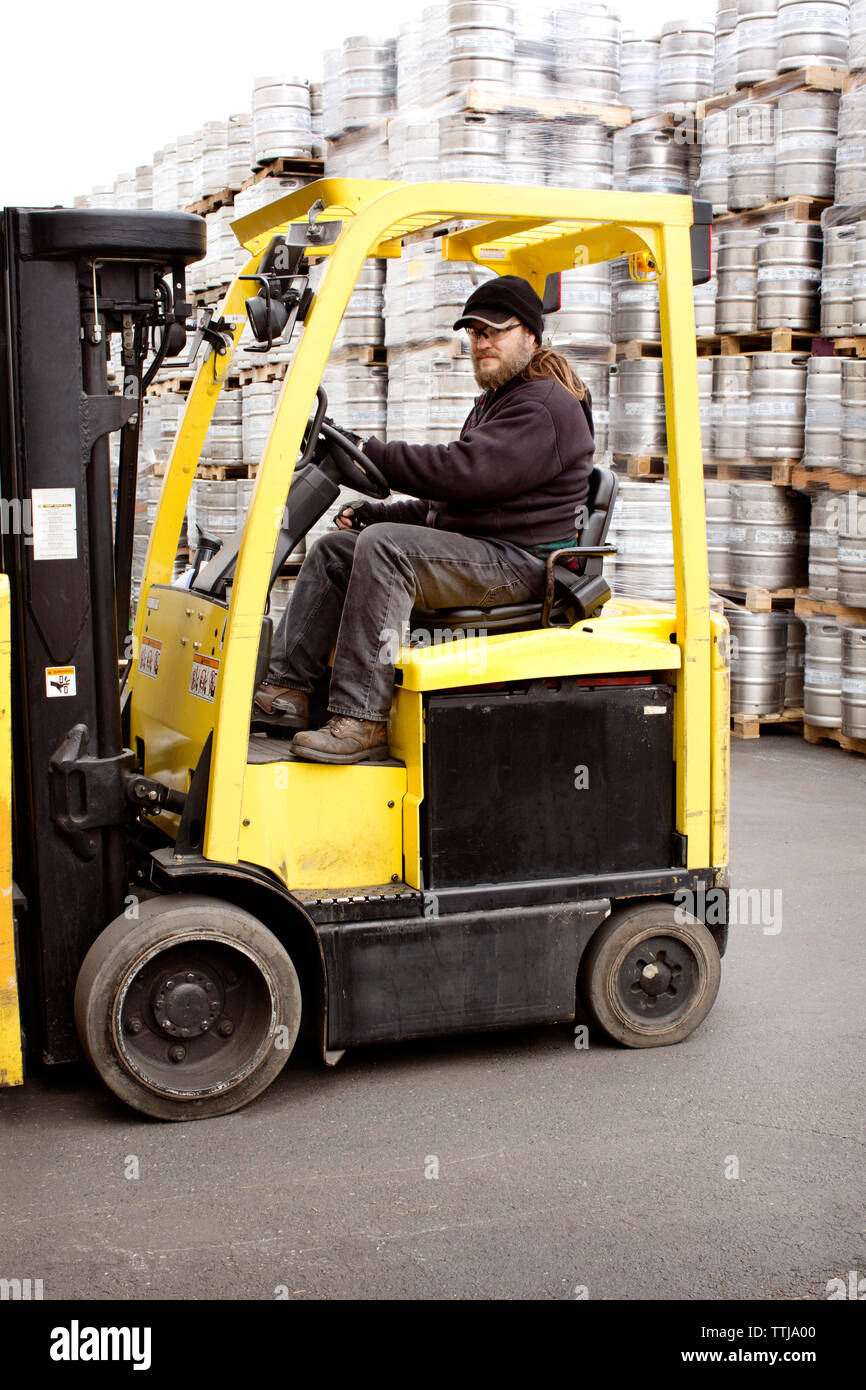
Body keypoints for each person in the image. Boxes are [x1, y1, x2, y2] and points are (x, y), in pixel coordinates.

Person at [254, 275, 596, 764]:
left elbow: (464, 472)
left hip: (521, 564)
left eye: (495, 331)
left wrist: (375, 453)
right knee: (339, 549)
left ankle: (361, 717)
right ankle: (287, 689)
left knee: (387, 548)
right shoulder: (497, 403)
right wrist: (378, 511)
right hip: (483, 548)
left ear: (532, 335)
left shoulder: (544, 406)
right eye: (476, 333)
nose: (483, 343)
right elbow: (450, 505)